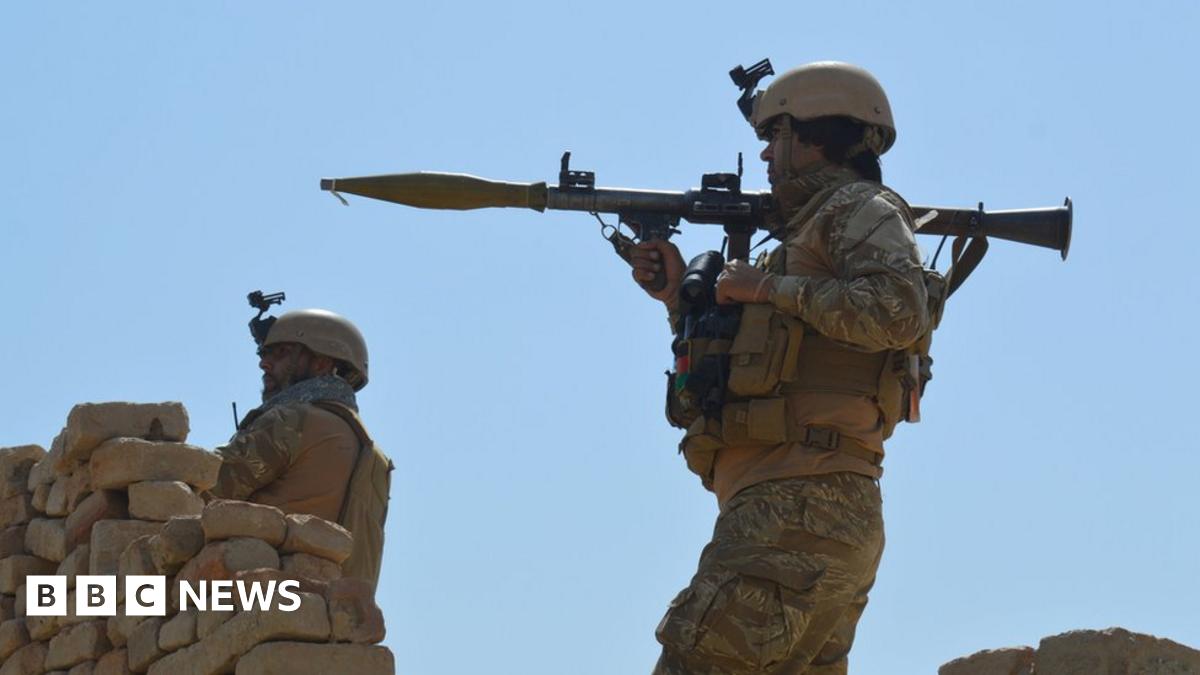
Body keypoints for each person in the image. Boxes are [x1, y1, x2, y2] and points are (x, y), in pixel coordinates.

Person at [630, 62, 932, 673]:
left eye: (776, 137)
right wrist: (675, 299)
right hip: (802, 502)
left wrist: (769, 291)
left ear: (817, 136)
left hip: (799, 503)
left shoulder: (858, 208)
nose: (765, 154)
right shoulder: (805, 240)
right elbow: (759, 360)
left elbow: (899, 313)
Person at [212, 308, 393, 591]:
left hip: (255, 600)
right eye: (264, 355)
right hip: (329, 614)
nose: (264, 364)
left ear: (321, 363)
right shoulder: (372, 454)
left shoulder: (291, 422)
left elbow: (202, 488)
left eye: (280, 353)